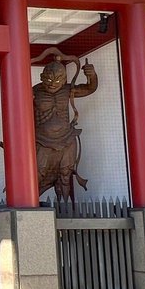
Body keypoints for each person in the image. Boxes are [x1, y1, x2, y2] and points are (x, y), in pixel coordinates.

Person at [33, 57, 97, 201]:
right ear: (42, 77)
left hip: (66, 136)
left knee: (65, 173)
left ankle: (65, 206)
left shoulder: (69, 90)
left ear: (64, 79)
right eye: (48, 80)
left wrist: (91, 75)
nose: (52, 84)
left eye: (57, 80)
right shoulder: (35, 91)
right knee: (38, 171)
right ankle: (30, 203)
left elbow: (90, 88)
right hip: (42, 139)